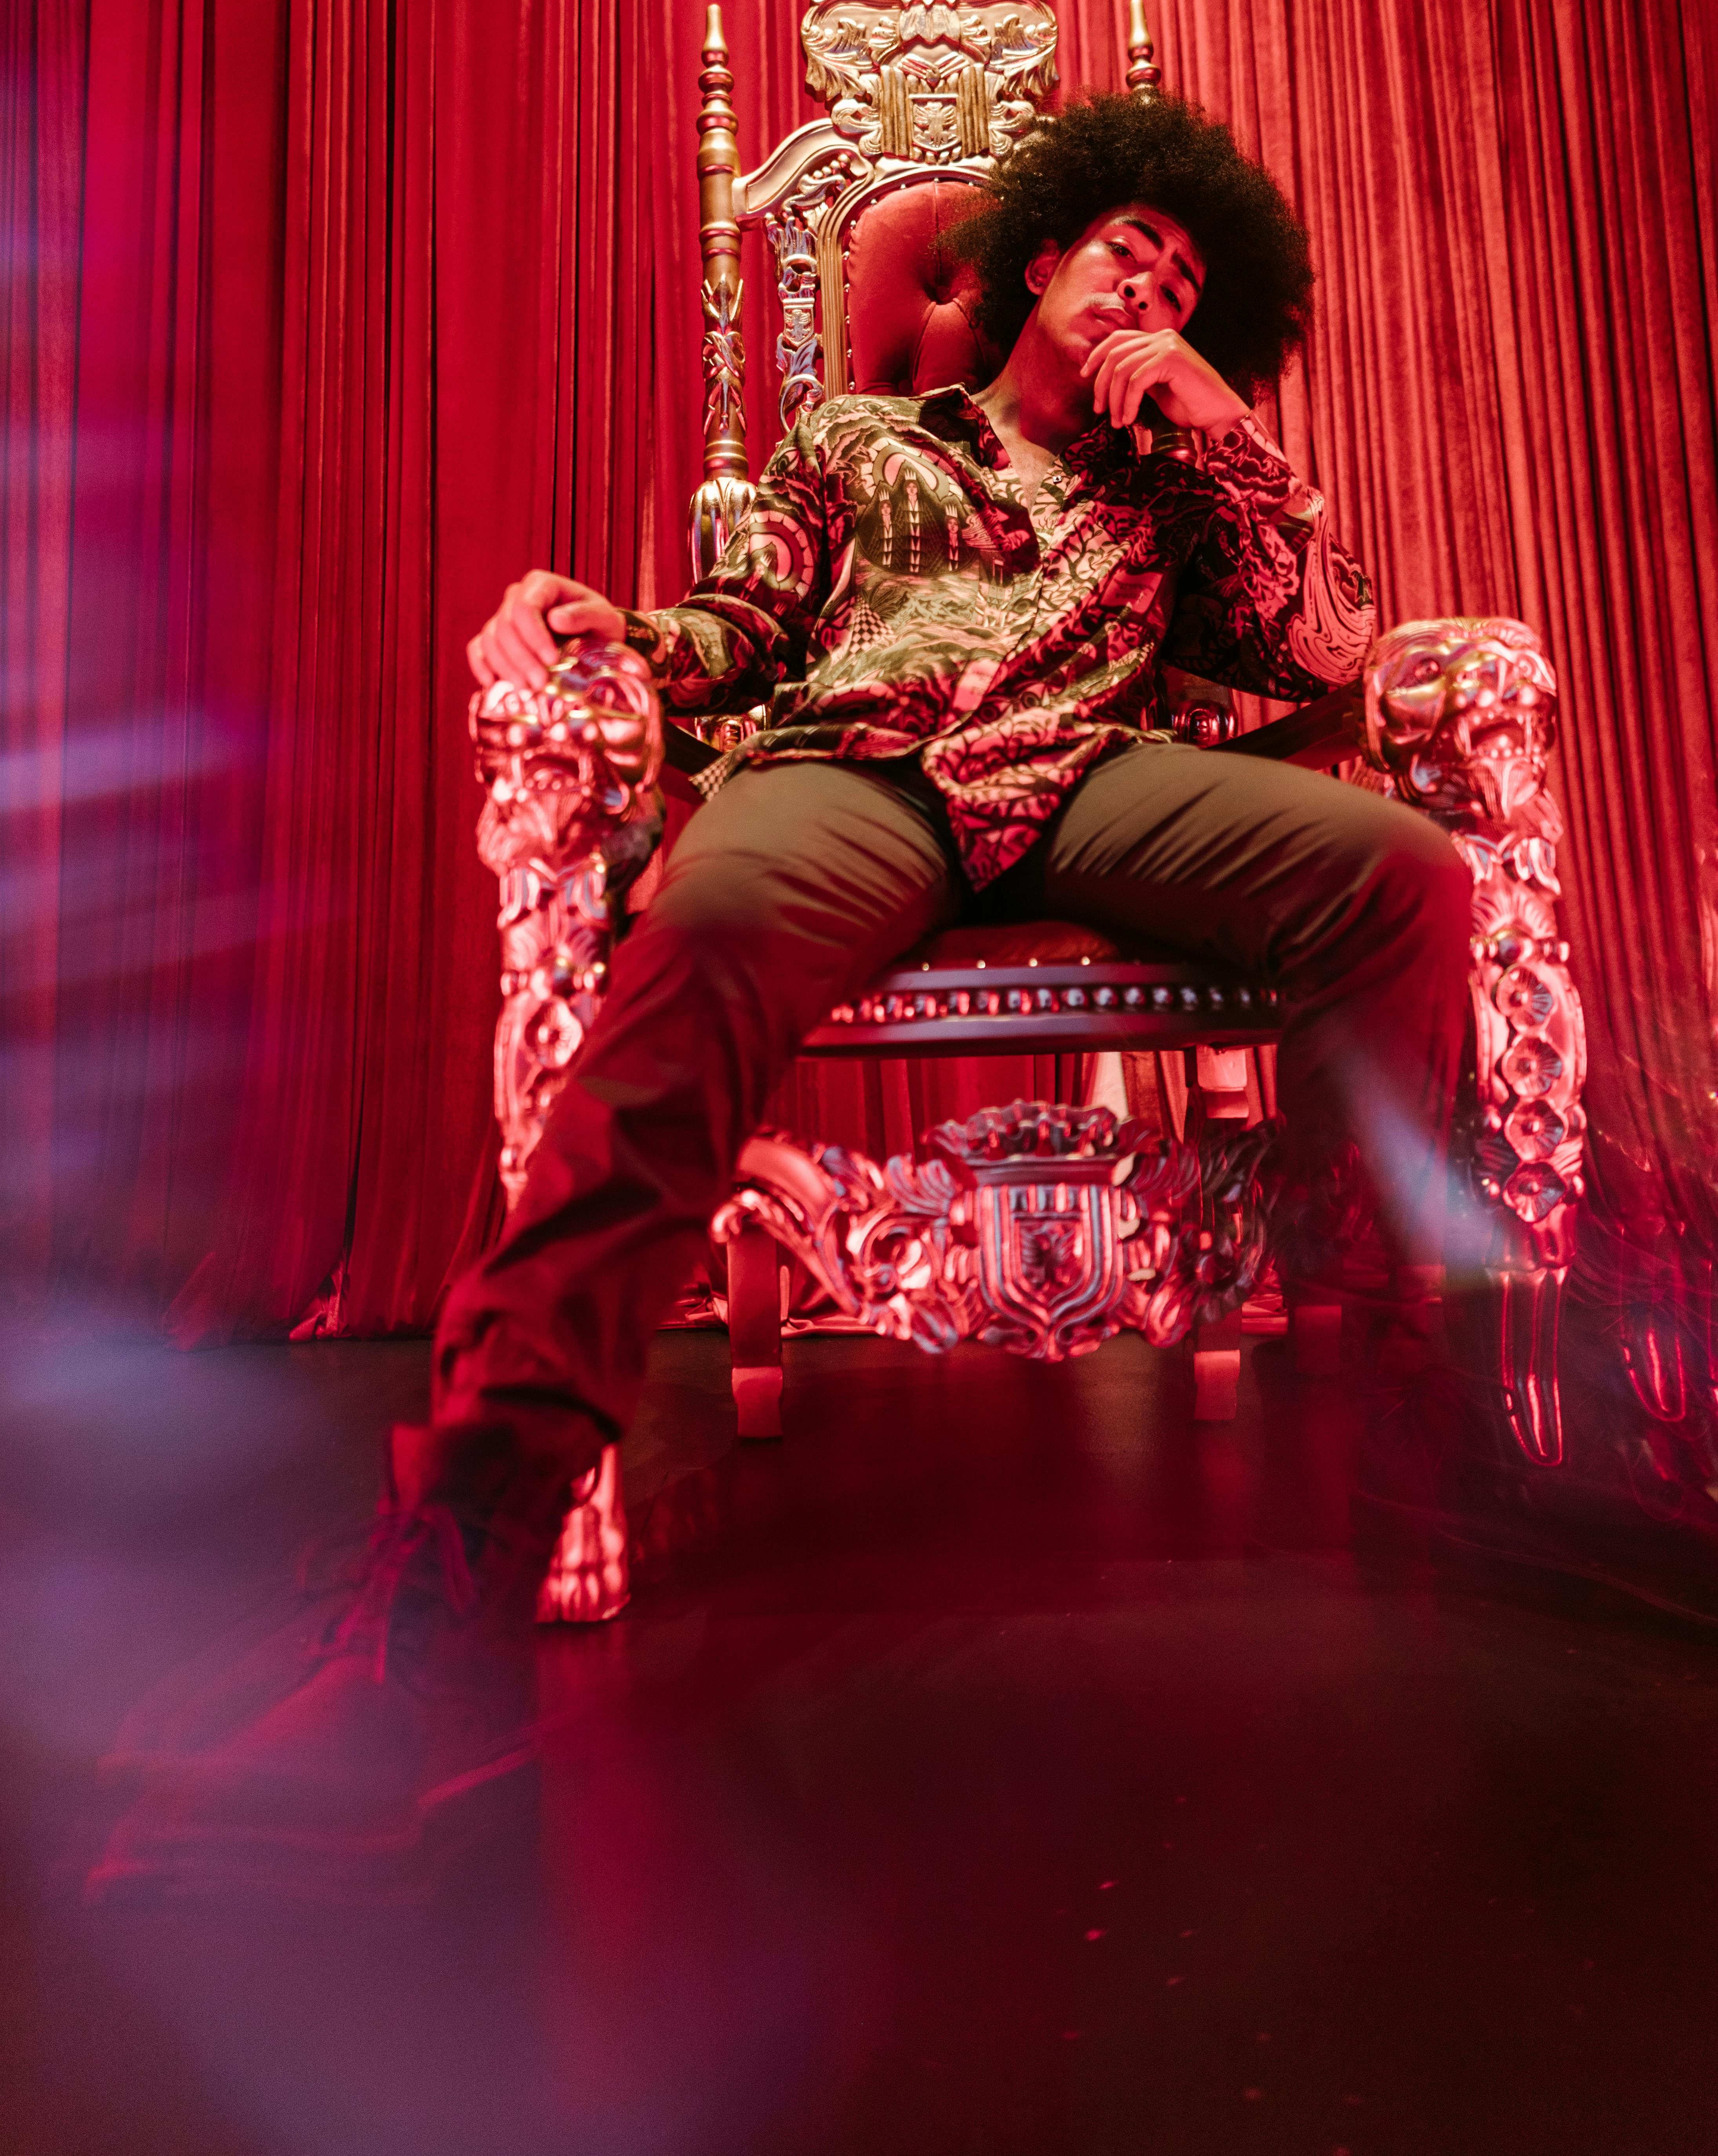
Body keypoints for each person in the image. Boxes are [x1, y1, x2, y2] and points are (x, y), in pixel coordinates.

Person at [92, 92, 1474, 1900]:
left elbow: (1328, 654)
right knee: (702, 947)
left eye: (1190, 273)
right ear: (1037, 261)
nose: (1153, 276)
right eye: (1126, 243)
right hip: (864, 774)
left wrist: (1231, 436)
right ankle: (442, 1595)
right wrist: (615, 635)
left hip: (1086, 783)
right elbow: (735, 628)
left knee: (1406, 875)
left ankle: (1387, 1404)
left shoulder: (1174, 496)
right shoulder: (855, 437)